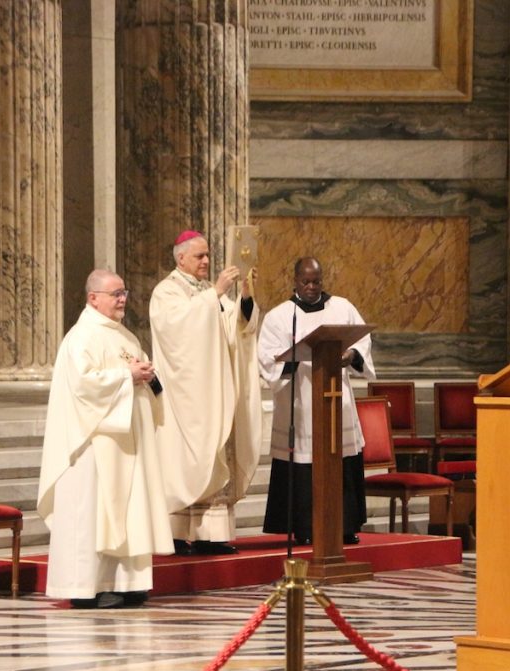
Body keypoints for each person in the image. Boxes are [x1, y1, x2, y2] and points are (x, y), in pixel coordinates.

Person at [36, 269, 173, 609]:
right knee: (94, 515)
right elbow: (85, 386)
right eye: (115, 294)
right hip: (93, 445)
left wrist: (147, 376)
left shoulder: (125, 337)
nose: (122, 299)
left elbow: (137, 377)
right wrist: (127, 374)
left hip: (126, 441)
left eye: (124, 292)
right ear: (93, 298)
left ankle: (128, 583)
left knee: (128, 510)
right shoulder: (81, 338)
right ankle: (86, 587)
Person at [149, 230, 262, 556]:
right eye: (200, 256)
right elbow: (177, 331)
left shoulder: (207, 291)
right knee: (185, 460)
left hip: (213, 391)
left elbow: (234, 328)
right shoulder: (167, 291)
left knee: (215, 457)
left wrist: (245, 297)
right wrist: (215, 293)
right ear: (181, 257)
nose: (207, 261)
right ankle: (175, 533)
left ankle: (208, 535)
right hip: (185, 397)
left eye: (208, 255)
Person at [257, 257, 375, 546]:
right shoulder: (280, 316)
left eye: (316, 281)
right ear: (295, 281)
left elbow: (362, 342)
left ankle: (345, 525)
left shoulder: (342, 308)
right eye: (306, 282)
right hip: (300, 402)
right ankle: (305, 527)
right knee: (303, 464)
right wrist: (294, 356)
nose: (311, 287)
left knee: (341, 460)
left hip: (336, 400)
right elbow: (267, 358)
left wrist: (350, 355)